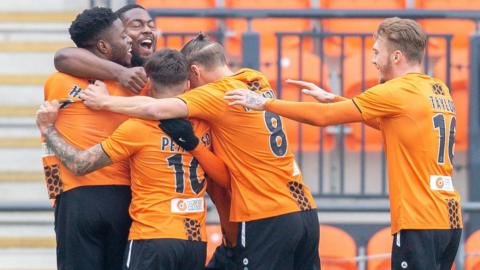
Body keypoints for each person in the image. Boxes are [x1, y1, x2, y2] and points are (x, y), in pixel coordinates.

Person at [225, 17, 462, 270]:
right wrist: (335, 99)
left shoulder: (397, 91)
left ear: (395, 57)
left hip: (420, 219)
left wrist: (265, 103)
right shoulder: (439, 89)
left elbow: (324, 119)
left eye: (376, 52)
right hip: (449, 219)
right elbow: (391, 124)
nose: (372, 59)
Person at [78, 33, 320, 270]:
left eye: (189, 82)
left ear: (194, 72)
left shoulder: (214, 95)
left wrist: (104, 102)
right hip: (304, 209)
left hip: (268, 212)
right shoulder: (255, 79)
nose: (188, 89)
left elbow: (155, 108)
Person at [38, 49, 233, 270]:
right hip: (195, 241)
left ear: (148, 83)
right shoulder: (203, 125)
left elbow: (80, 164)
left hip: (152, 235)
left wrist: (48, 130)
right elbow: (224, 177)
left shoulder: (137, 128)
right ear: (188, 84)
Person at [41, 7, 134, 270]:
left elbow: (64, 57)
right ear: (104, 46)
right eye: (123, 35)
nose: (129, 40)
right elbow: (64, 56)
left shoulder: (56, 82)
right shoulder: (134, 83)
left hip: (74, 198)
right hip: (123, 196)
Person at [54, 4, 156, 93]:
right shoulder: (63, 81)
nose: (148, 30)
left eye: (152, 25)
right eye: (136, 25)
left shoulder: (159, 73)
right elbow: (64, 57)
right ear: (103, 46)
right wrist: (121, 73)